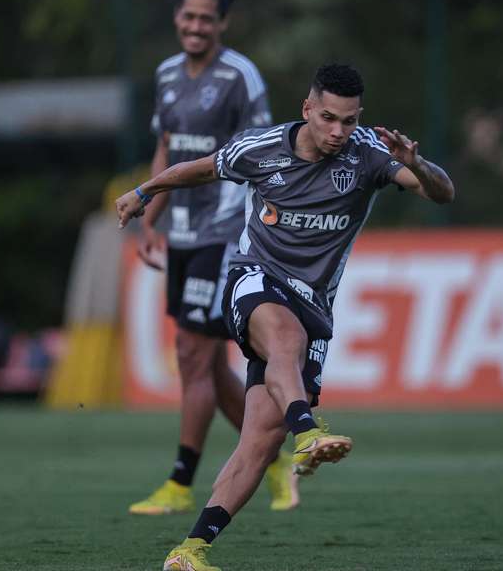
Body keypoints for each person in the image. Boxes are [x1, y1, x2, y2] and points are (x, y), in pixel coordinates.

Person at [116, 63, 455, 570]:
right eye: (328, 118)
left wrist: (419, 164)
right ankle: (308, 430)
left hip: (316, 303)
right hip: (254, 279)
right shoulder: (262, 148)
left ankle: (189, 550)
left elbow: (442, 193)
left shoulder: (369, 155)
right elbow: (201, 167)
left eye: (348, 119)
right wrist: (145, 192)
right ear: (307, 109)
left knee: (258, 441)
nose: (338, 131)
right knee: (283, 337)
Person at [128, 0, 298, 517]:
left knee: (195, 356)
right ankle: (271, 457)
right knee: (201, 360)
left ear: (222, 23)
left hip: (226, 232)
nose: (196, 25)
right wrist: (150, 214)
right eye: (188, 16)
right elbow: (166, 146)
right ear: (177, 17)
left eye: (207, 18)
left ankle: (180, 483)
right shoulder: (167, 74)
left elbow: (266, 150)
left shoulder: (240, 77)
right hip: (180, 232)